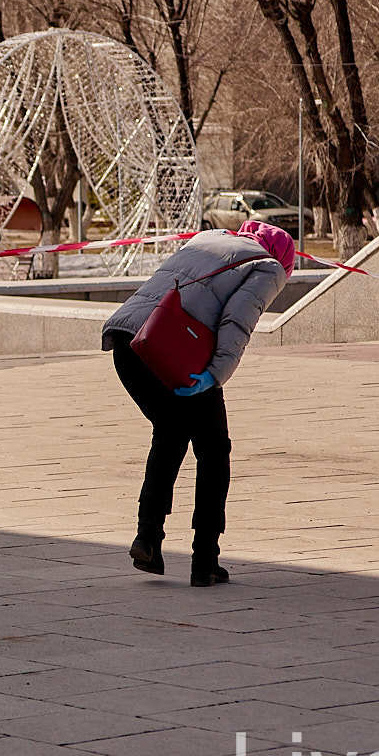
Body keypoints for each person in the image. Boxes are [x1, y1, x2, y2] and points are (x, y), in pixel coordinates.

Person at [101, 221, 295, 586]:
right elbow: (238, 323)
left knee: (171, 433)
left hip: (129, 342)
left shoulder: (208, 239)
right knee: (213, 449)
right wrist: (214, 375)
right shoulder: (267, 265)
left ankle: (148, 538)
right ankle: (205, 559)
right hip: (169, 346)